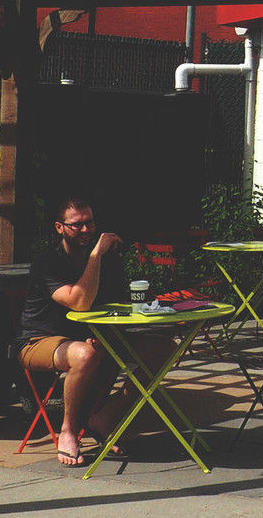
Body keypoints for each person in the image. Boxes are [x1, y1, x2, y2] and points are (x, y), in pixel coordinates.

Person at [15, 197, 168, 467]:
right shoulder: (48, 262)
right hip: (40, 340)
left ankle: (106, 416)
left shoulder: (109, 260)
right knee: (85, 355)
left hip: (95, 337)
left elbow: (115, 305)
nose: (86, 230)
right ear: (59, 227)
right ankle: (68, 431)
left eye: (90, 223)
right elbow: (79, 302)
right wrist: (96, 256)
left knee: (165, 347)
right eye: (77, 225)